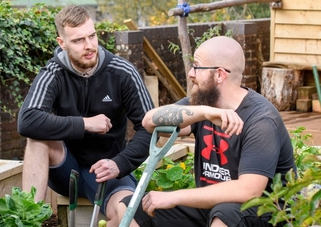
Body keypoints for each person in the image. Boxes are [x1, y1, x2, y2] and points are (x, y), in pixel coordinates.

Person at [120, 36, 296, 227]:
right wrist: (203, 112)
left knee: (224, 214)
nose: (190, 73)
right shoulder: (204, 105)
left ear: (219, 75)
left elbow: (249, 191)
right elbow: (149, 121)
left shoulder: (261, 120)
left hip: (268, 212)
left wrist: (175, 196)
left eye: (196, 66)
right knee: (129, 209)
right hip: (215, 206)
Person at [17, 5, 154, 225]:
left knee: (127, 212)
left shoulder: (122, 72)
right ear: (62, 43)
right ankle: (28, 220)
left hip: (107, 171)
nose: (89, 46)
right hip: (65, 169)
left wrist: (120, 163)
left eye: (92, 36)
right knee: (37, 139)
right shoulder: (53, 73)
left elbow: (149, 128)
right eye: (79, 40)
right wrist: (84, 124)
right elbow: (27, 120)